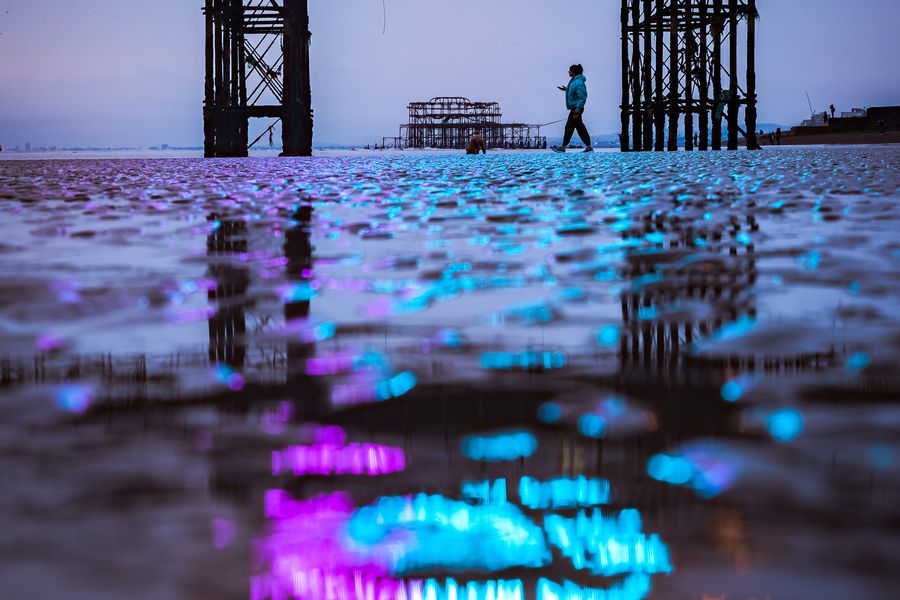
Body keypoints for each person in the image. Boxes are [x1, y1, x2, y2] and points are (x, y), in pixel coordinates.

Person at [551, 64, 593, 153]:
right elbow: (575, 92)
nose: (568, 72)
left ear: (574, 72)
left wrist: (578, 109)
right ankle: (589, 147)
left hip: (576, 108)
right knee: (580, 127)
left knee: (569, 127)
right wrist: (566, 90)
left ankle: (563, 147)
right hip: (575, 108)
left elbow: (582, 97)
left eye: (569, 70)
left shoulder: (578, 82)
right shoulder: (575, 81)